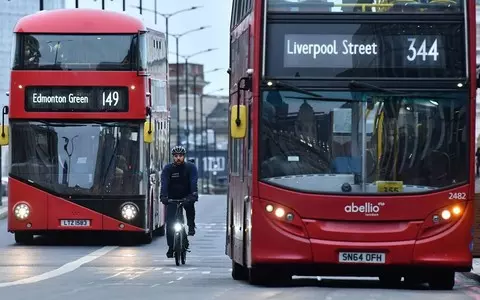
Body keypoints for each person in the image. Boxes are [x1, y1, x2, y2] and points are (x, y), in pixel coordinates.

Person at [160, 145, 198, 258]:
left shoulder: (190, 168)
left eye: (180, 156)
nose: (178, 158)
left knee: (190, 207)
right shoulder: (168, 169)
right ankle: (171, 247)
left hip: (186, 196)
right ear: (173, 157)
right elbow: (164, 183)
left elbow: (193, 181)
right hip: (172, 198)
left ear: (184, 157)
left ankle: (191, 225)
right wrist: (163, 196)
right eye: (176, 156)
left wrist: (194, 195)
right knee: (170, 223)